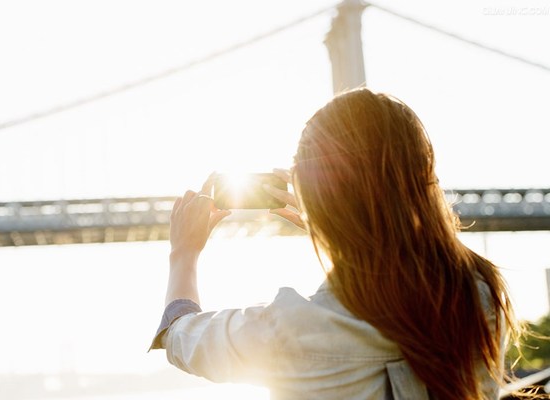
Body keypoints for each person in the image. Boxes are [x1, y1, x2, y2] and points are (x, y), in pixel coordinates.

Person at [149, 88, 520, 399]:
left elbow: (180, 334)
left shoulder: (290, 328)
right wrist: (329, 219)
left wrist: (183, 254)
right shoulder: (481, 292)